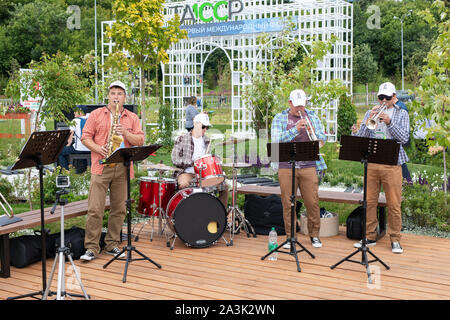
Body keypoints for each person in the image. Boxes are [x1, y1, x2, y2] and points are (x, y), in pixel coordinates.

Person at [79, 80, 145, 261]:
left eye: (120, 94)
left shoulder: (132, 117)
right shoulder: (96, 114)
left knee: (119, 209)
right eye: (113, 93)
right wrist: (98, 148)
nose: (116, 97)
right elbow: (85, 137)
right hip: (101, 166)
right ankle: (91, 247)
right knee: (95, 209)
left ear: (125, 97)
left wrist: (125, 133)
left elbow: (140, 140)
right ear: (109, 95)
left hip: (122, 168)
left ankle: (112, 244)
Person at [352, 82, 410, 254]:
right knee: (369, 201)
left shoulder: (401, 113)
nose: (383, 100)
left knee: (393, 203)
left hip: (392, 163)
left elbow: (404, 138)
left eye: (387, 97)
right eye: (380, 97)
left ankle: (395, 239)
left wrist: (390, 122)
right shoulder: (372, 112)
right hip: (372, 161)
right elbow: (361, 137)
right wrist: (367, 120)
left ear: (394, 97)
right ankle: (369, 236)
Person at [271, 89, 327, 249]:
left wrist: (314, 134)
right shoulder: (280, 118)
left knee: (312, 202)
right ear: (290, 103)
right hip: (286, 166)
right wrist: (295, 130)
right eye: (296, 106)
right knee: (288, 203)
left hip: (309, 165)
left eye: (302, 106)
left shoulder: (313, 116)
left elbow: (322, 139)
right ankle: (290, 237)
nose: (299, 109)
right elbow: (276, 140)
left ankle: (314, 235)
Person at [171, 113, 228, 209]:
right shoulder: (182, 139)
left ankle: (220, 215)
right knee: (183, 184)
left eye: (207, 127)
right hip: (187, 173)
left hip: (204, 175)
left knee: (224, 187)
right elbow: (174, 159)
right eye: (203, 126)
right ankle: (185, 212)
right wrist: (191, 162)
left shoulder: (207, 140)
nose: (205, 129)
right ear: (196, 124)